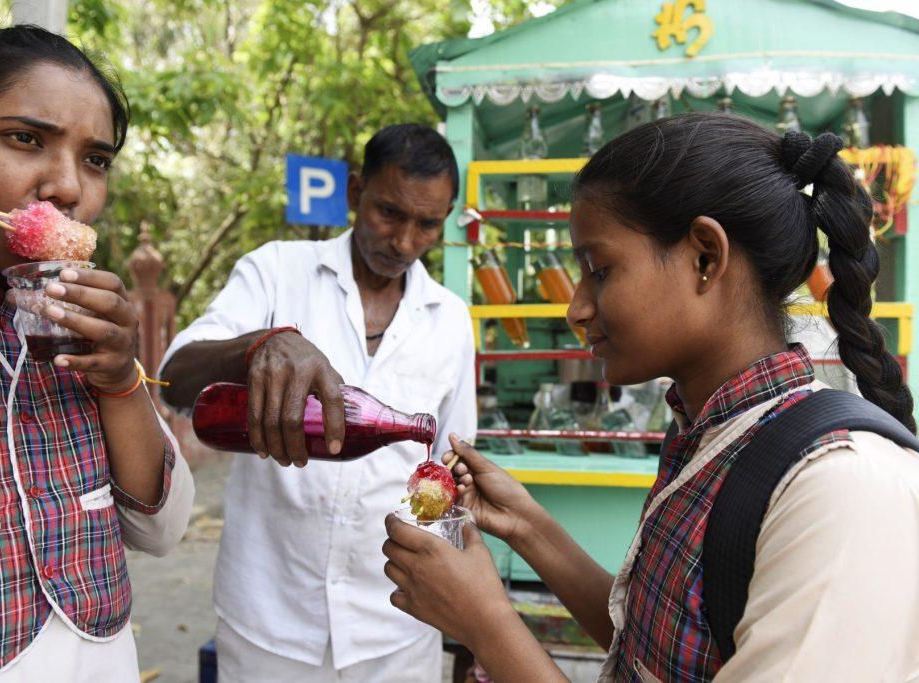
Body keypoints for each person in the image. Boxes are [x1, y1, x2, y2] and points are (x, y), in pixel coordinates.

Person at [382, 113, 919, 681]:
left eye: (600, 270)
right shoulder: (704, 433)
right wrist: (529, 526)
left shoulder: (838, 489)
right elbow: (653, 647)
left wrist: (486, 624)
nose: (576, 309)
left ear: (705, 257)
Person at [0, 26, 194, 682]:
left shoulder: (79, 325)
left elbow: (162, 530)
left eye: (95, 159)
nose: (67, 188)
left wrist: (119, 379)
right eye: (25, 139)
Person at [160, 123, 476, 681]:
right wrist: (262, 343)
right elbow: (174, 376)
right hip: (269, 618)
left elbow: (452, 459)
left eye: (427, 224)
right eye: (388, 213)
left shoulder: (450, 318)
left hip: (398, 622)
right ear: (355, 193)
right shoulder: (276, 271)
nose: (404, 241)